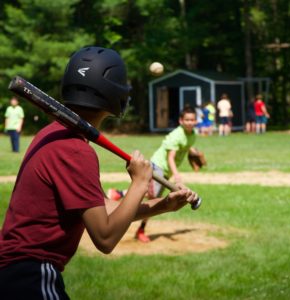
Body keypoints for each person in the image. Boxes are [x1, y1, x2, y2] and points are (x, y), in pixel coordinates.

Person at [0, 46, 198, 299]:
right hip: (29, 275)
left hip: (15, 273)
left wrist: (163, 205)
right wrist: (139, 183)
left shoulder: (55, 134)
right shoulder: (74, 150)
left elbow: (102, 209)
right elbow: (105, 237)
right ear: (114, 93)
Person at [108, 106, 202, 243]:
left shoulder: (192, 135)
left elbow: (186, 148)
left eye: (192, 120)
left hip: (165, 171)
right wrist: (177, 175)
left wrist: (193, 157)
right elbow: (171, 157)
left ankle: (119, 194)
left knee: (151, 196)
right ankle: (140, 230)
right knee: (153, 198)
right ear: (181, 121)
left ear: (195, 121)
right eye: (187, 119)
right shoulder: (177, 135)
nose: (189, 122)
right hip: (158, 167)